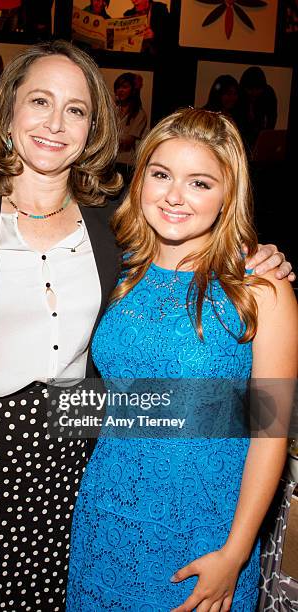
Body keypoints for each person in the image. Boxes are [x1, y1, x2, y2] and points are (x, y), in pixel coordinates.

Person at [0, 42, 292, 609]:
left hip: (69, 471)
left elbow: (259, 413)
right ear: (7, 112)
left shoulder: (112, 231)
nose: (56, 123)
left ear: (94, 127)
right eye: (39, 101)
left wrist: (255, 258)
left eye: (75, 109)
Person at [66, 108, 298, 611]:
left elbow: (270, 432)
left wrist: (235, 554)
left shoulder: (260, 287)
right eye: (161, 174)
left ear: (227, 195)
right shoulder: (117, 265)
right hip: (105, 515)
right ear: (141, 175)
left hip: (205, 529)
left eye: (200, 182)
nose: (174, 196)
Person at [114, 72, 148, 183]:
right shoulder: (113, 110)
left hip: (126, 165)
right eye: (118, 87)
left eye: (124, 87)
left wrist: (106, 141)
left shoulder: (139, 114)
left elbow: (128, 143)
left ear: (133, 90)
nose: (120, 90)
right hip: (109, 162)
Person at [238, 66, 278, 152]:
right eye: (250, 89)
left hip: (260, 133)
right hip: (241, 136)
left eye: (258, 89)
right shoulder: (238, 94)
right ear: (244, 87)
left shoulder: (268, 93)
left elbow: (272, 118)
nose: (254, 93)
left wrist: (266, 138)